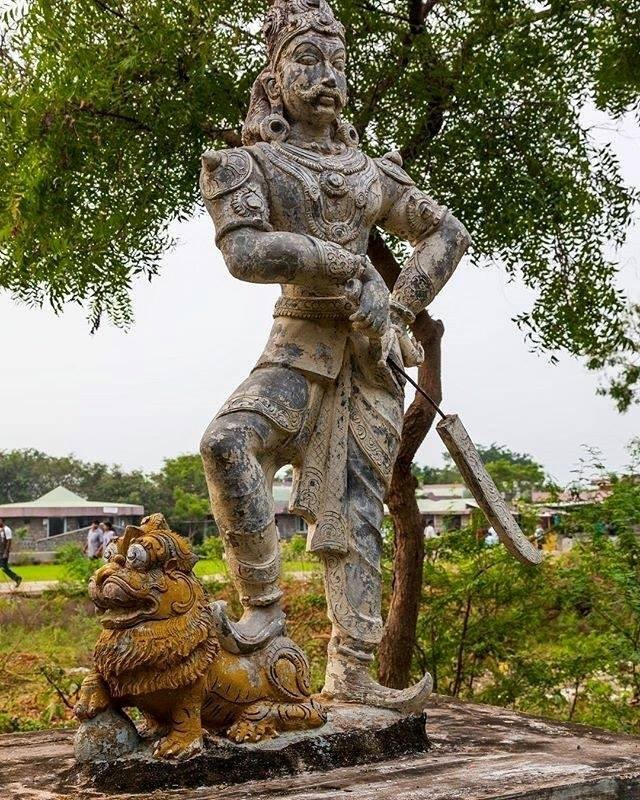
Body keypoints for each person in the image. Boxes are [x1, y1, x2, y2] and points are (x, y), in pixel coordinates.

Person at [199, 0, 470, 711]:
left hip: (367, 361)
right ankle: (262, 615)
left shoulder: (371, 172)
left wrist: (402, 309)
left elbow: (447, 233)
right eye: (307, 61)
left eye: (338, 64)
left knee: (357, 508)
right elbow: (244, 251)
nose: (326, 78)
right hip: (298, 346)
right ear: (274, 76)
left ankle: (353, 665)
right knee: (229, 443)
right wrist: (344, 267)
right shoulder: (247, 163)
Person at [0, 518, 22, 587]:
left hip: (4, 552)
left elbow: (9, 541)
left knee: (4, 567)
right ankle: (17, 578)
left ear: (2, 521)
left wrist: (6, 552)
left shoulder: (7, 529)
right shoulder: (0, 530)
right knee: (4, 567)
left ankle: (17, 578)